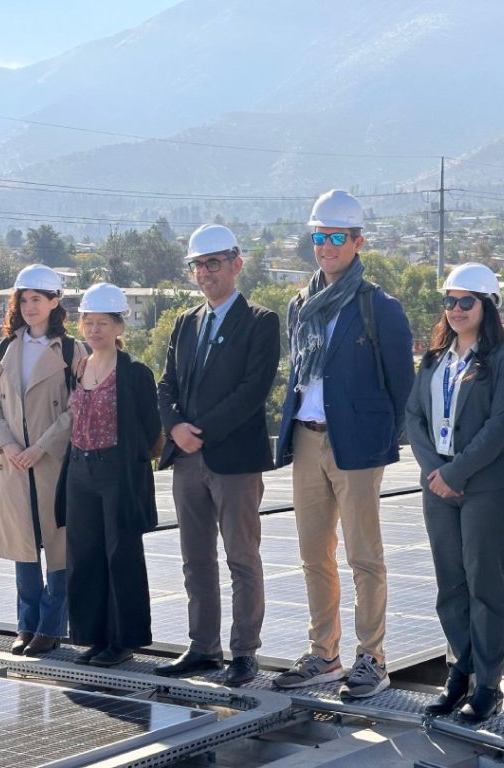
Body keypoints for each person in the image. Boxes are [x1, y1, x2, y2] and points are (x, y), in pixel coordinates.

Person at [273, 189, 414, 698]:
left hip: (355, 448)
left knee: (364, 556)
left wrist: (376, 438)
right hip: (307, 440)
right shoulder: (301, 304)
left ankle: (371, 658)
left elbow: (401, 386)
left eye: (336, 237)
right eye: (319, 236)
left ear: (358, 242)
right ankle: (323, 654)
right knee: (314, 553)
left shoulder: (379, 307)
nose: (326, 246)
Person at [155, 225, 280, 686]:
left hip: (233, 461)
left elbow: (253, 391)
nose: (205, 272)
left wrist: (199, 433)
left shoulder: (261, 321)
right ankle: (203, 647)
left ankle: (244, 654)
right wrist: (175, 427)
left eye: (214, 263)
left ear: (235, 265)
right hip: (186, 461)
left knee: (242, 559)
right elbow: (165, 384)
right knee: (196, 559)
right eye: (198, 265)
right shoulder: (186, 322)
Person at [405, 263, 504, 721]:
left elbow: (501, 427)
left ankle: (488, 686)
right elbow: (414, 418)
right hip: (438, 486)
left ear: (487, 307)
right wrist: (435, 471)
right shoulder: (435, 359)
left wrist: (456, 472)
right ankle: (460, 673)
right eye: (449, 301)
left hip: (487, 487)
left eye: (466, 301)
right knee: (450, 586)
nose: (455, 310)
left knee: (486, 586)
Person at [0, 264, 86, 657]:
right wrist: (7, 445)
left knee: (57, 547)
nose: (28, 306)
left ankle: (51, 626)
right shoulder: (6, 348)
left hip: (50, 462)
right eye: (23, 299)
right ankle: (26, 624)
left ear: (55, 302)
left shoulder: (73, 350)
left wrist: (41, 447)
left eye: (37, 299)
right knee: (23, 547)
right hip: (13, 463)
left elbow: (78, 407)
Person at [54, 283, 161, 667]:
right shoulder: (80, 366)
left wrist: (126, 464)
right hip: (80, 470)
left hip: (118, 472)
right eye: (88, 321)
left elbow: (152, 433)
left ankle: (123, 640)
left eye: (103, 322)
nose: (94, 329)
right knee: (85, 556)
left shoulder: (135, 372)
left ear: (119, 326)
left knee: (121, 557)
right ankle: (94, 636)